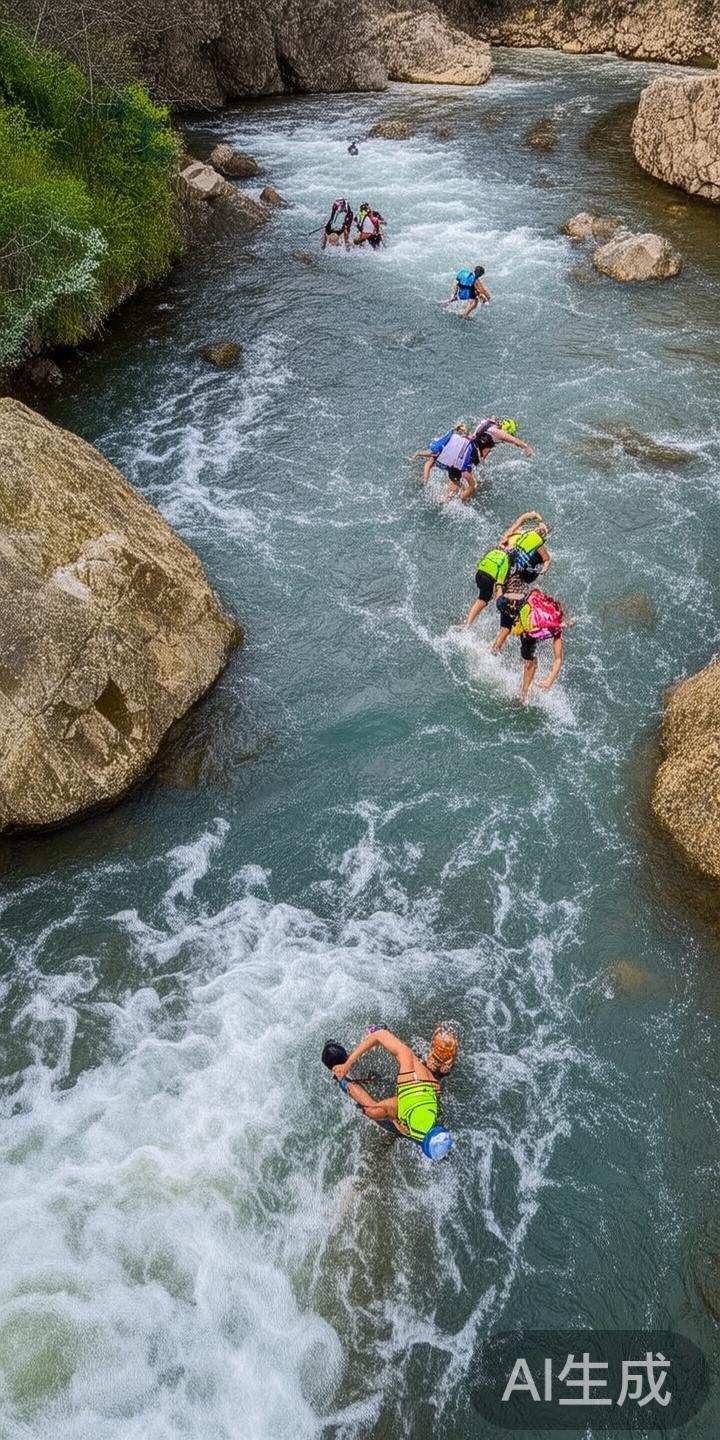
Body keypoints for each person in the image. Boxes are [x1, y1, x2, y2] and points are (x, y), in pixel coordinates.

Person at [328, 1024, 456, 1158]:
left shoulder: (415, 1072)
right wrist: (347, 1065)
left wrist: (344, 1073)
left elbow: (380, 1035)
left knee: (373, 1111)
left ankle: (342, 1081)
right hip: (416, 1117)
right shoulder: (427, 1081)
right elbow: (381, 1036)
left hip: (406, 1116)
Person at [464, 512, 545, 628]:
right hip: (506, 570)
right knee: (489, 598)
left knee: (489, 597)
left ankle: (472, 622)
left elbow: (520, 520)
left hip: (493, 566)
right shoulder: (527, 541)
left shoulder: (511, 535)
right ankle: (471, 624)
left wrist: (532, 514)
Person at [491, 518, 552, 653]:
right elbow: (547, 560)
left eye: (542, 530)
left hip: (506, 595)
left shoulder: (526, 541)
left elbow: (546, 560)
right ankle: (498, 647)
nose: (539, 530)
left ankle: (495, 649)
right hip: (515, 597)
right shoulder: (531, 542)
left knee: (505, 626)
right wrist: (542, 572)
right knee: (510, 624)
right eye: (539, 528)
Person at [510, 591, 571, 701]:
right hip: (527, 633)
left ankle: (524, 692)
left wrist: (549, 682)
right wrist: (549, 682)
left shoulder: (538, 601)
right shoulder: (556, 627)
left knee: (531, 662)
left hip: (526, 624)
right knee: (531, 663)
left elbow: (558, 659)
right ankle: (523, 695)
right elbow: (558, 659)